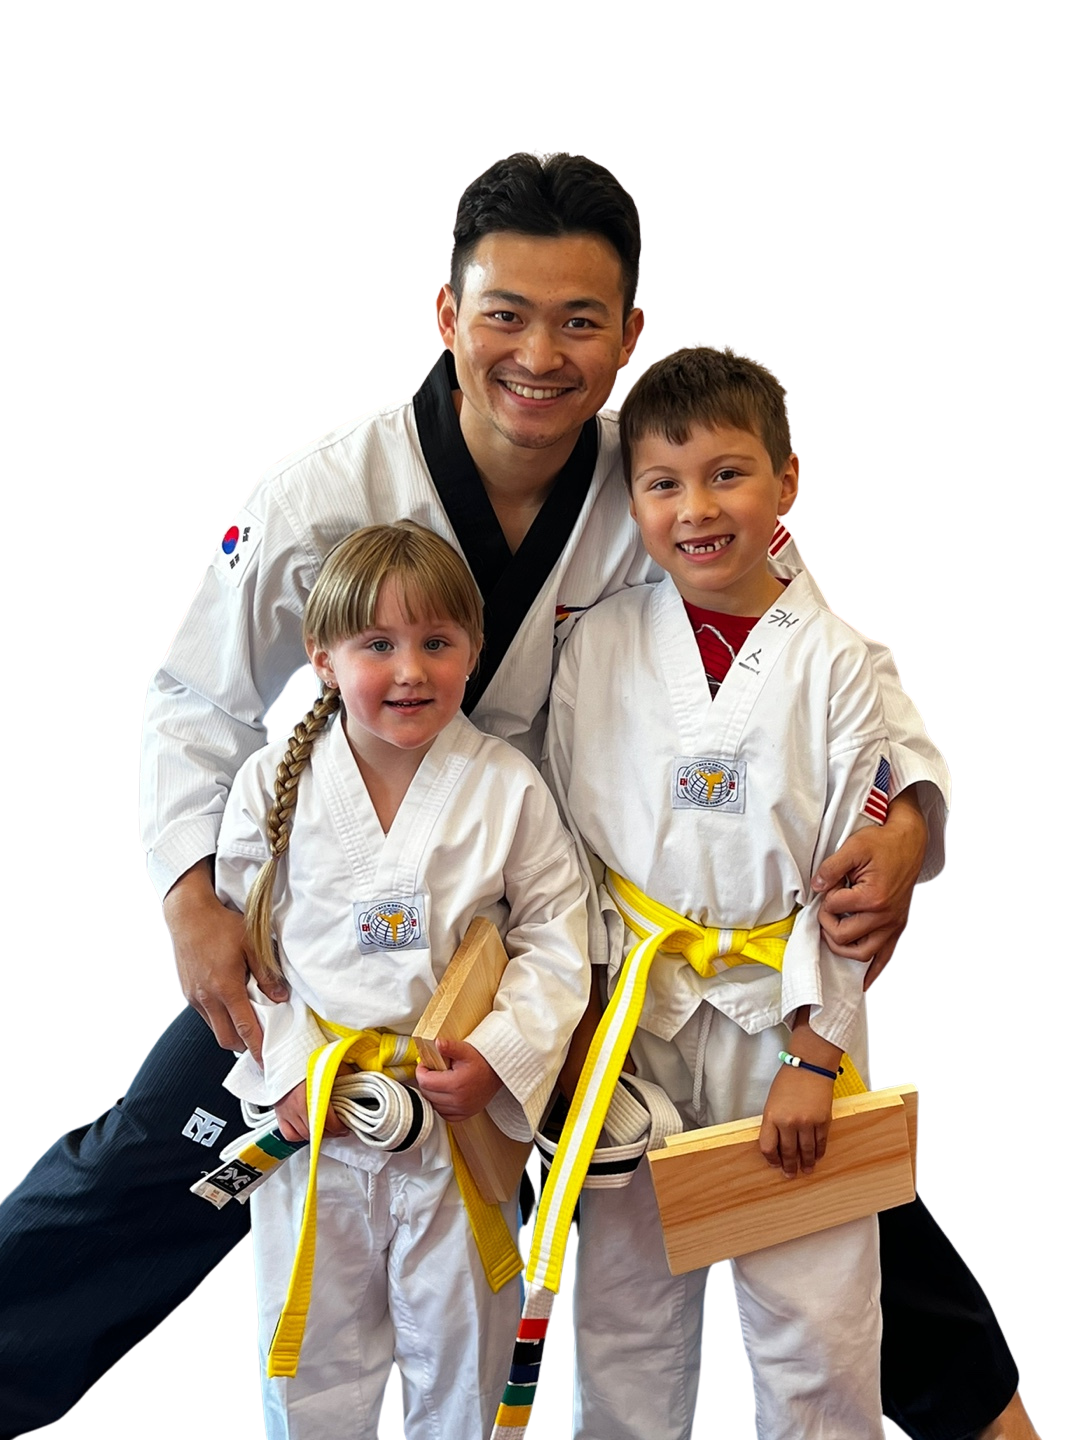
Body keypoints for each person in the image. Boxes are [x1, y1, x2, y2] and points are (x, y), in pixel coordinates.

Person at [0, 152, 1029, 1440]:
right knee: (165, 1158)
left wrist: (909, 824)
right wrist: (190, 899)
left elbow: (819, 667)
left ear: (628, 336)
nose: (539, 355)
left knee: (801, 1155)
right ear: (447, 315)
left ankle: (984, 1414)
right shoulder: (325, 488)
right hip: (347, 905)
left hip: (579, 909)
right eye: (506, 314)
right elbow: (198, 699)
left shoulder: (666, 469)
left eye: (580, 321)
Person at [545, 343, 901, 1437]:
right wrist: (573, 1020)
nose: (696, 509)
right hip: (628, 1026)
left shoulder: (845, 662)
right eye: (663, 483)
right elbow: (559, 856)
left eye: (727, 475)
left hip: (784, 1023)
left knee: (817, 1324)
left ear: (785, 485)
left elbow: (851, 883)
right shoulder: (592, 645)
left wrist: (815, 1054)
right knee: (622, 1324)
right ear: (632, 498)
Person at [213, 521, 588, 1437]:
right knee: (312, 1376)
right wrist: (296, 1065)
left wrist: (498, 1056)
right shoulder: (272, 784)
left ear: (474, 650)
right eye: (377, 645)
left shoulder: (506, 786)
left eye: (435, 642)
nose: (410, 669)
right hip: (320, 1120)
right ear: (323, 661)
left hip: (454, 1122)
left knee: (465, 1374)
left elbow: (555, 937)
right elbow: (250, 952)